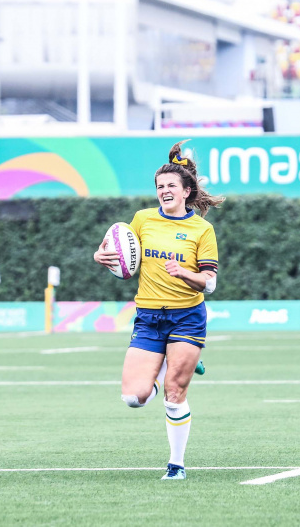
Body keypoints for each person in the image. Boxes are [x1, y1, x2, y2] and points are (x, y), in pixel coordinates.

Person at [93, 140, 223, 481]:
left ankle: (176, 465)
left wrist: (186, 274)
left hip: (187, 317)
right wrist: (101, 256)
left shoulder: (202, 230)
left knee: (175, 393)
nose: (164, 191)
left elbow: (209, 284)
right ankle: (169, 364)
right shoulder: (142, 220)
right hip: (149, 318)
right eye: (159, 186)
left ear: (186, 192)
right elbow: (117, 248)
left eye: (170, 186)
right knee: (133, 398)